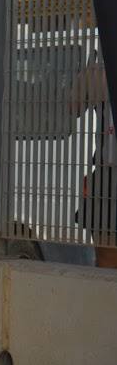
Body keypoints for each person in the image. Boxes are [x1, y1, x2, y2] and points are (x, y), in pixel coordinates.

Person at [70, 50, 116, 267]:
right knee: (107, 256)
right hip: (107, 173)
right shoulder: (100, 71)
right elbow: (73, 108)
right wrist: (87, 78)